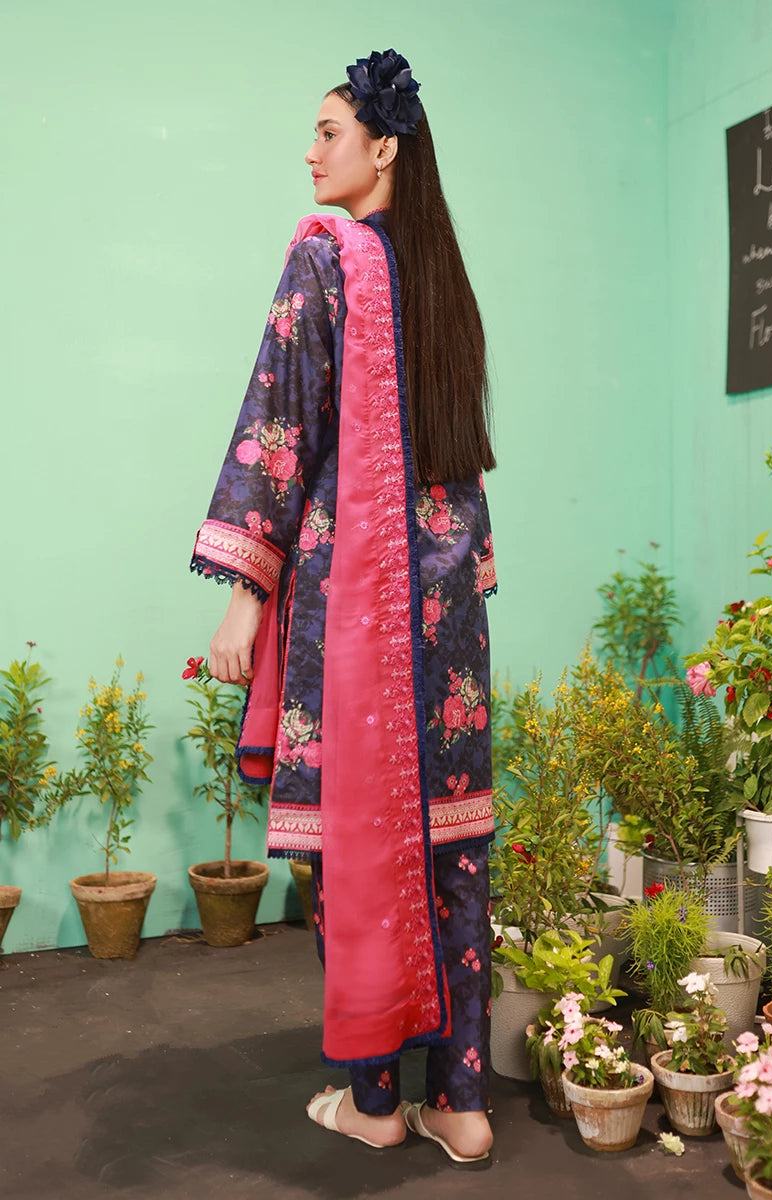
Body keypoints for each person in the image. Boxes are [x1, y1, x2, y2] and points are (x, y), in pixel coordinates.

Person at [191, 50, 497, 1162]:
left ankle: (373, 1103)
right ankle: (463, 1105)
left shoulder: (325, 257)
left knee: (354, 842)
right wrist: (462, 581)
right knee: (453, 848)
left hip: (354, 616)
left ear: (384, 148)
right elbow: (463, 470)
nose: (312, 152)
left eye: (329, 132)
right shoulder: (441, 280)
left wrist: (245, 596)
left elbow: (280, 431)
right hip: (448, 620)